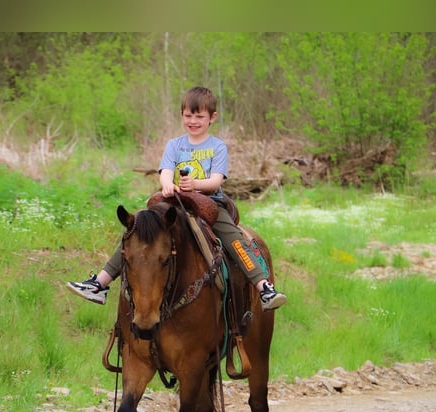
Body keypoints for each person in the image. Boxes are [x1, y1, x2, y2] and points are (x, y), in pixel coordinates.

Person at [67, 86, 286, 311]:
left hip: (210, 204)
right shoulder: (174, 145)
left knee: (234, 238)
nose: (193, 121)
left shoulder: (217, 147)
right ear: (182, 115)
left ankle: (263, 287)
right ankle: (99, 283)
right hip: (175, 203)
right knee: (137, 231)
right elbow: (165, 172)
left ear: (212, 118)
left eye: (199, 116)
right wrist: (167, 185)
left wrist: (195, 185)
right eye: (188, 115)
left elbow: (216, 181)